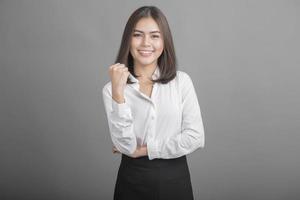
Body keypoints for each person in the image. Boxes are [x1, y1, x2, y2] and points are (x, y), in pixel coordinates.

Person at [102, 5, 205, 200]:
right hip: (131, 180)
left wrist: (145, 149)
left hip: (175, 180)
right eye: (138, 35)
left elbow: (195, 137)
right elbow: (126, 145)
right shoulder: (112, 89)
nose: (146, 43)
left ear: (164, 42)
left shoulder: (181, 82)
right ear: (128, 40)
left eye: (155, 36)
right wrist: (118, 93)